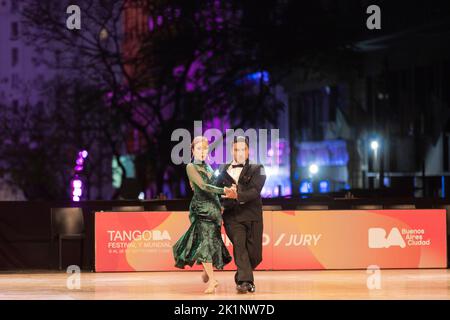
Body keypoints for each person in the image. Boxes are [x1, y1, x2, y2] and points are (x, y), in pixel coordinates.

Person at [172, 136, 233, 294]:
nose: (202, 151)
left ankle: (207, 272)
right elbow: (204, 186)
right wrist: (223, 191)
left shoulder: (209, 167)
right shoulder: (191, 166)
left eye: (205, 149)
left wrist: (225, 192)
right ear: (193, 150)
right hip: (201, 209)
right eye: (199, 148)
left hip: (214, 209)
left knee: (211, 241)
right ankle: (212, 280)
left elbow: (215, 184)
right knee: (205, 242)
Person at [216, 136, 266, 294]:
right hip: (232, 216)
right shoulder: (222, 169)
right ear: (232, 150)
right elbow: (216, 189)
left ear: (248, 151)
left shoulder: (258, 168)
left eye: (243, 149)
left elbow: (255, 191)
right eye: (236, 149)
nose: (239, 152)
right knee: (239, 246)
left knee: (256, 255)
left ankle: (242, 274)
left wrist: (237, 195)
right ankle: (245, 282)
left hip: (253, 215)